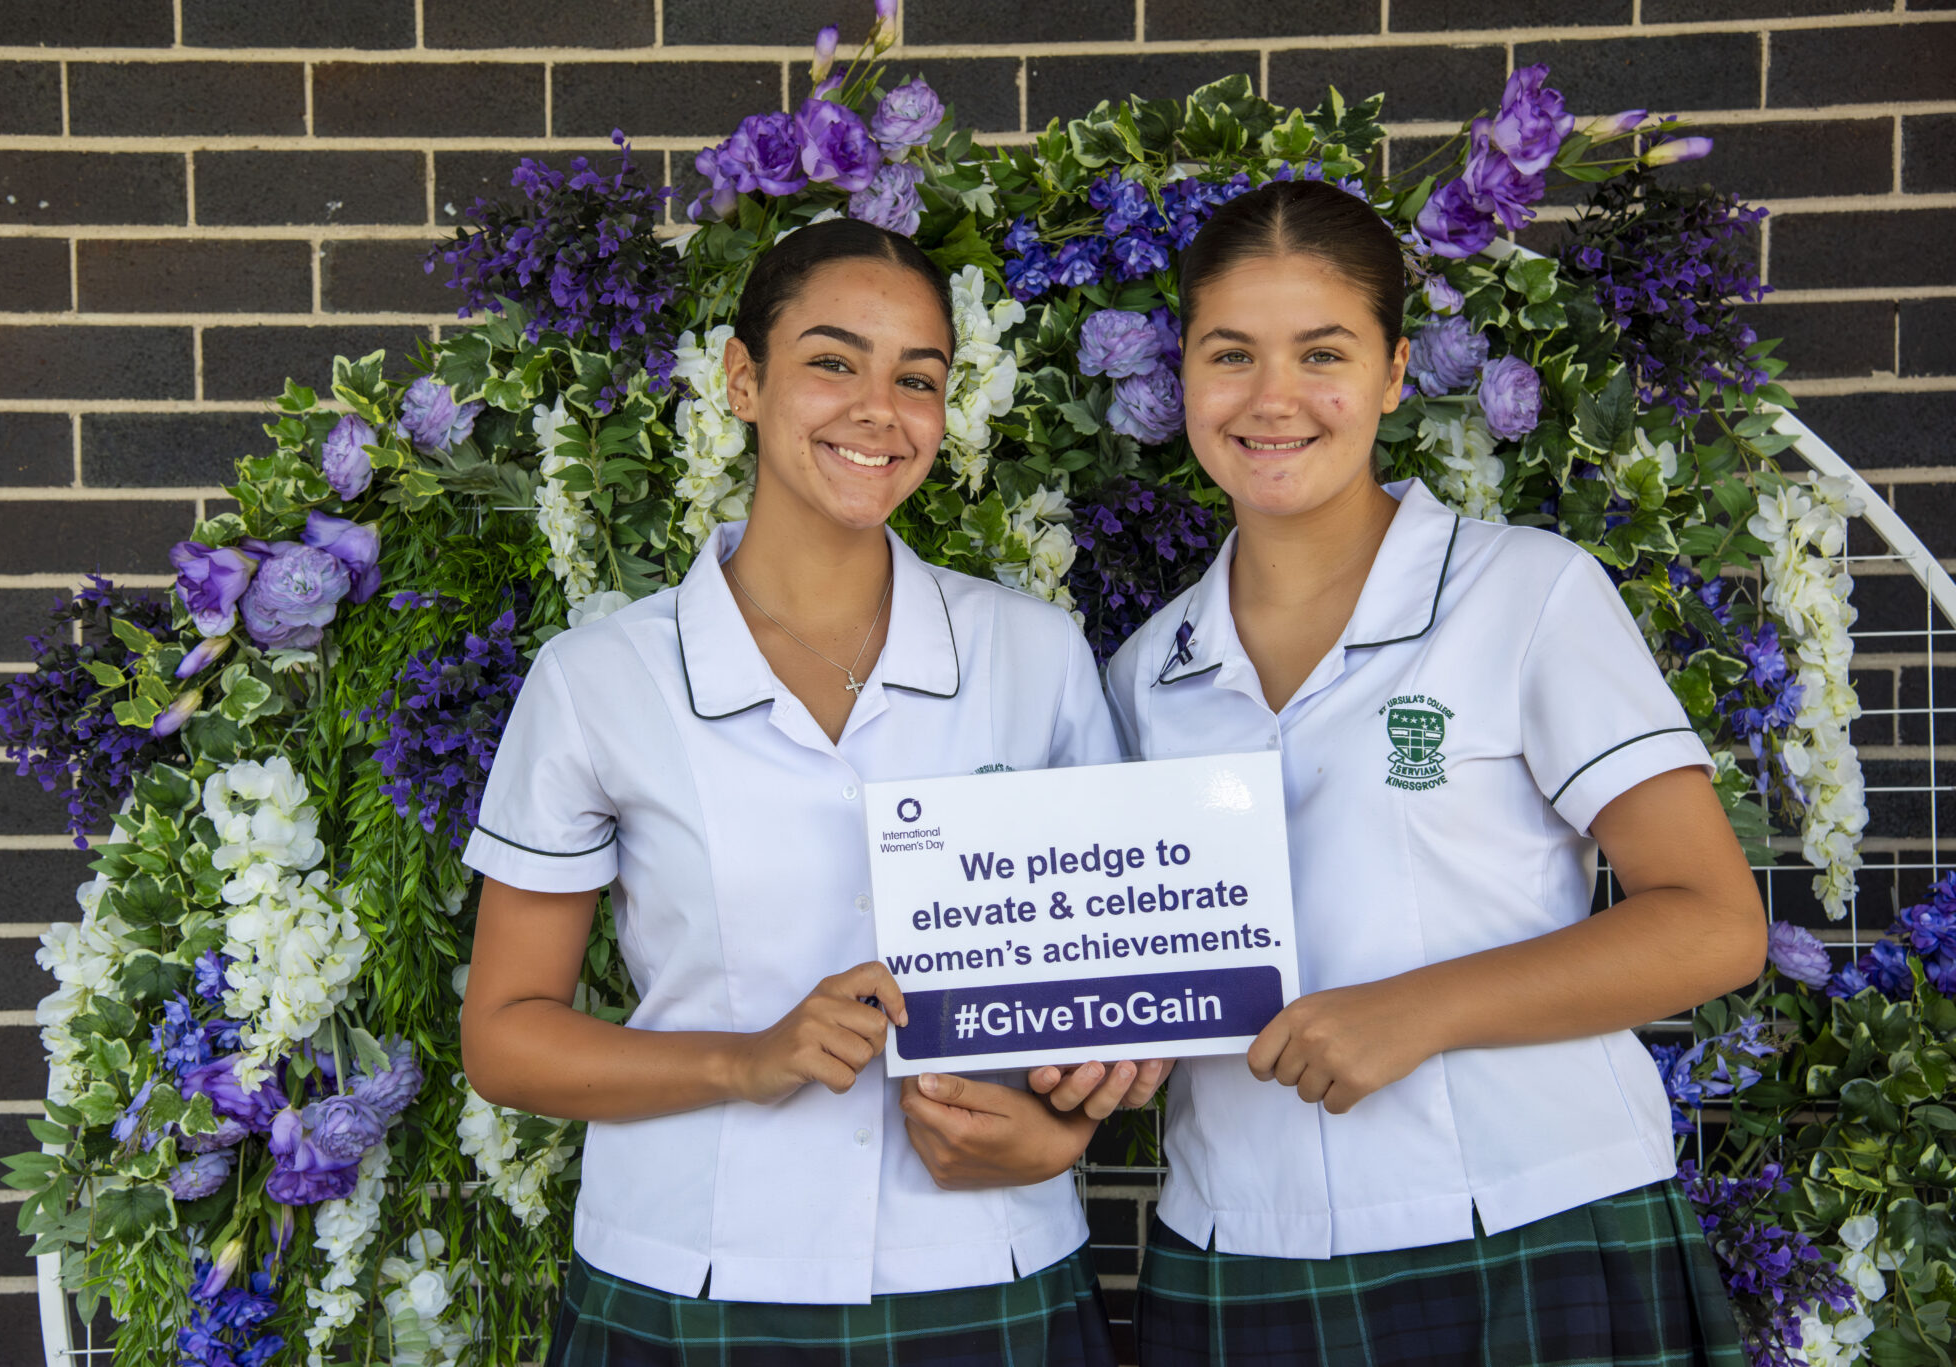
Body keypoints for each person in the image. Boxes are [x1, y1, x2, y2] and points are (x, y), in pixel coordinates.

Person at [1051, 180, 1767, 1364]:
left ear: (1391, 373)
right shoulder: (1142, 677)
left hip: (1533, 1220)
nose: (1271, 398)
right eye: (1229, 353)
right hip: (1242, 1247)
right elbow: (1146, 969)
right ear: (1180, 374)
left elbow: (1713, 923)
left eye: (1320, 353)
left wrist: (1415, 1010)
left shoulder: (1523, 591)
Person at [459, 217, 1142, 1366]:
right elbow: (504, 1038)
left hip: (981, 1264)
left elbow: (1116, 983)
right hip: (691, 1275)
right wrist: (747, 1057)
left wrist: (1060, 1129)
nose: (879, 410)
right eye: (833, 361)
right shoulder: (600, 680)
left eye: (916, 378)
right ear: (742, 379)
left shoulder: (1032, 654)